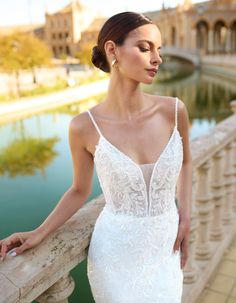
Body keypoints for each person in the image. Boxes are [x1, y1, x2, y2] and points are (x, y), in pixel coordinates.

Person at [0, 12, 192, 303]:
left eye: (159, 49)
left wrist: (186, 217)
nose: (157, 59)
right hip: (114, 256)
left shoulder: (174, 111)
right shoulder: (83, 126)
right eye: (145, 48)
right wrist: (39, 232)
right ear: (113, 50)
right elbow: (79, 190)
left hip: (166, 248)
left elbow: (187, 162)